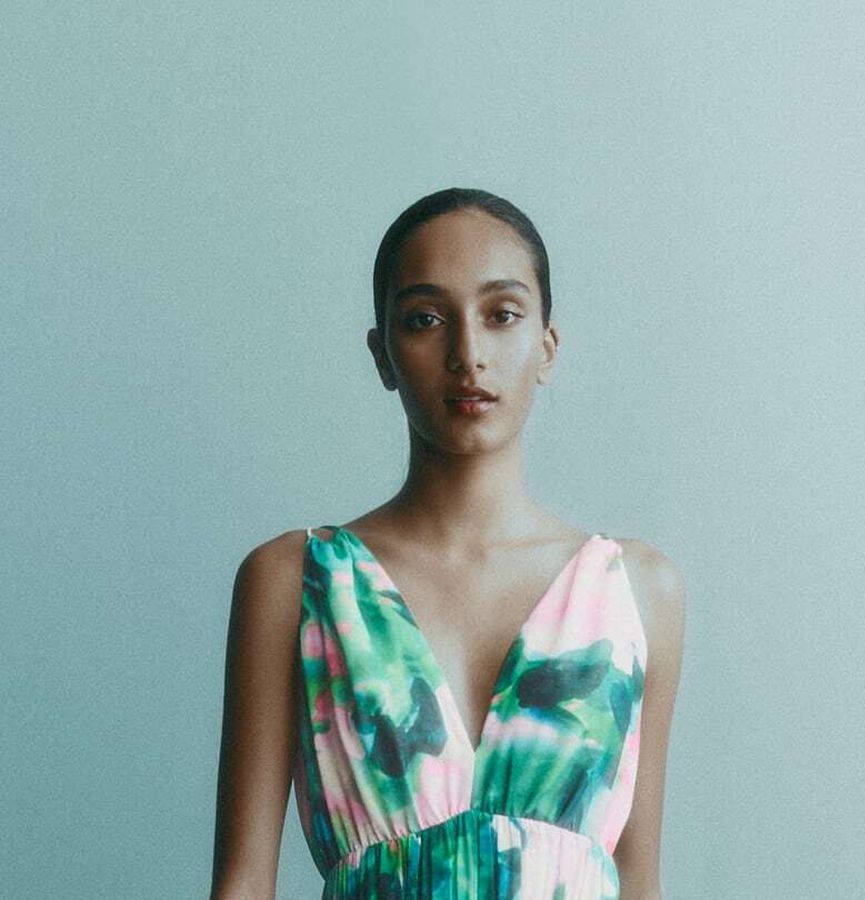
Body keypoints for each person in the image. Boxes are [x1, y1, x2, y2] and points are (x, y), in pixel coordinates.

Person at [209, 188, 686, 899]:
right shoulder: (296, 581)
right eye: (426, 319)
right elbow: (244, 884)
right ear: (383, 354)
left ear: (547, 346)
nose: (469, 354)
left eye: (502, 314)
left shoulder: (636, 592)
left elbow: (638, 883)